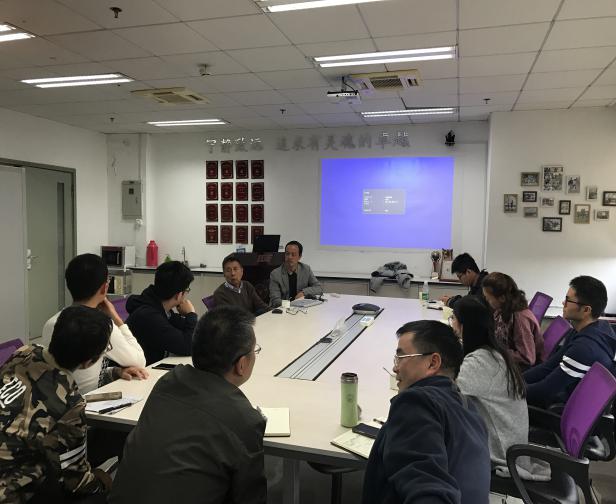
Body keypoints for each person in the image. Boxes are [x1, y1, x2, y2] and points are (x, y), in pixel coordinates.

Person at [110, 306, 266, 504]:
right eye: (254, 351)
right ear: (241, 364)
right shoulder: (245, 419)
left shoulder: (169, 381)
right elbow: (250, 497)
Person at [362, 320, 490, 504]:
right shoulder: (470, 409)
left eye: (401, 357)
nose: (395, 368)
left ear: (433, 363)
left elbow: (427, 487)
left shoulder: (416, 402)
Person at [0, 306, 113, 503]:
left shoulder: (24, 352)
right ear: (89, 362)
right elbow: (75, 482)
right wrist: (103, 481)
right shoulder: (70, 404)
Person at [41, 253, 147, 394]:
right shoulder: (100, 326)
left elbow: (79, 375)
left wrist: (115, 371)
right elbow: (139, 361)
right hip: (84, 403)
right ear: (104, 288)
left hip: (58, 397)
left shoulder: (51, 322)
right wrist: (117, 319)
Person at [452, 297, 528, 466]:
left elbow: (446, 394)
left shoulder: (480, 362)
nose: (452, 324)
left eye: (453, 319)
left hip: (501, 455)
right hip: (506, 444)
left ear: (464, 326)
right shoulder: (493, 352)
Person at [525, 276, 616, 408]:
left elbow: (544, 392)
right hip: (564, 393)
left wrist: (507, 390)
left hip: (565, 407)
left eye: (568, 300)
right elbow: (548, 367)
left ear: (586, 310)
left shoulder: (584, 349)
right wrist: (514, 380)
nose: (563, 303)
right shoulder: (586, 329)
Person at [126, 261, 197, 365]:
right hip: (140, 371)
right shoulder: (149, 316)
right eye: (187, 290)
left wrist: (189, 318)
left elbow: (192, 333)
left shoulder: (159, 307)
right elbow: (188, 346)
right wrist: (191, 314)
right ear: (178, 295)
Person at [482, 272, 544, 369]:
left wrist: (496, 354)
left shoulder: (520, 319)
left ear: (502, 298)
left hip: (521, 369)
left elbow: (527, 358)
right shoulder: (501, 309)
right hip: (506, 359)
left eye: (488, 298)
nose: (486, 301)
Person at [269, 240, 322, 307]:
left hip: (300, 308)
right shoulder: (275, 274)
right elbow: (275, 301)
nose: (290, 257)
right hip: (282, 309)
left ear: (299, 256)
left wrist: (303, 292)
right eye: (287, 254)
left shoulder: (306, 269)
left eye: (293, 254)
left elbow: (318, 288)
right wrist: (291, 304)